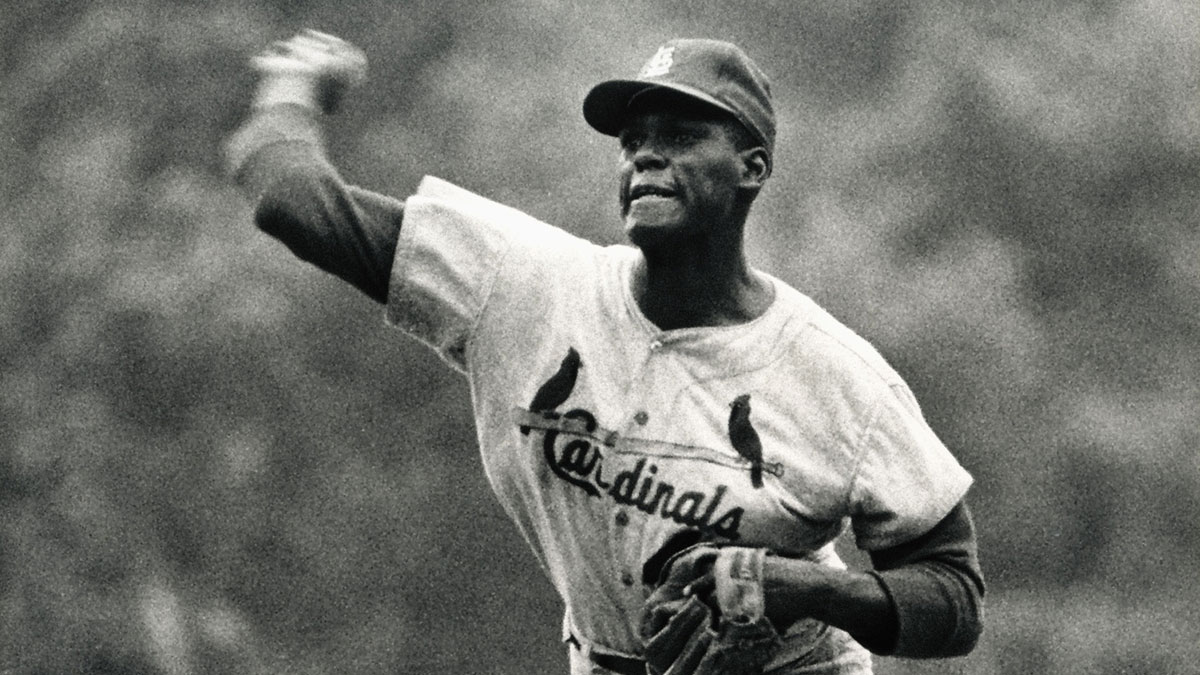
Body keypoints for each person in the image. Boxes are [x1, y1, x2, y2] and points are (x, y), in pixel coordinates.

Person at [225, 29, 985, 675]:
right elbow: (294, 202)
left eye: (682, 137)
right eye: (633, 142)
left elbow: (954, 596)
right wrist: (291, 87)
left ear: (752, 166)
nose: (645, 159)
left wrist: (799, 587)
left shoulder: (834, 376)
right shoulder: (520, 284)